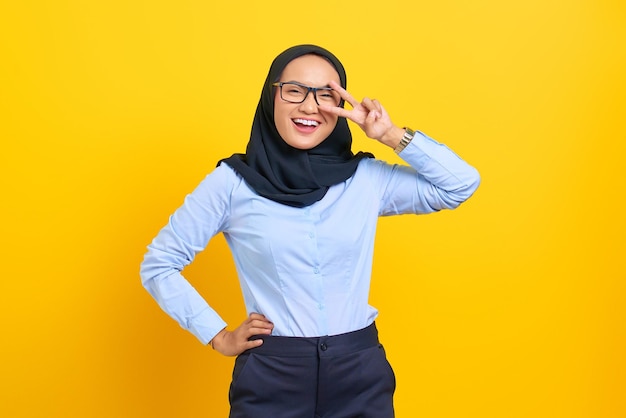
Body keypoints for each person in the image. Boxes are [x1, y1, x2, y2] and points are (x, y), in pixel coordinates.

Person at [140, 44, 480, 417]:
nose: (309, 106)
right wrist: (218, 335)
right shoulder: (231, 184)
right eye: (295, 90)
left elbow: (460, 184)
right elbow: (160, 264)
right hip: (273, 373)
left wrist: (388, 134)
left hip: (360, 370)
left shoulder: (365, 180)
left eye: (326, 95)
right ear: (272, 96)